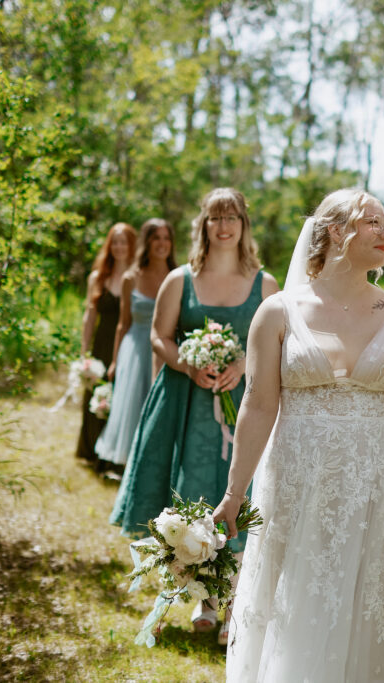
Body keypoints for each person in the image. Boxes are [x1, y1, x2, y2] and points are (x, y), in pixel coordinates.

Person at [212, 189, 384, 682]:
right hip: (297, 478)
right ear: (337, 230)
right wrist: (234, 494)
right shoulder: (277, 311)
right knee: (300, 596)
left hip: (379, 482)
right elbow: (257, 407)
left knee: (374, 601)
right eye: (374, 223)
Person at [111, 188, 278, 640]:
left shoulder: (266, 285)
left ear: (244, 226)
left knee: (241, 496)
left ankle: (236, 603)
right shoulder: (179, 280)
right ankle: (204, 599)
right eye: (214, 218)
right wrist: (188, 361)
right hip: (185, 405)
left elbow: (280, 344)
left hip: (246, 406)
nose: (224, 227)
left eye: (232, 218)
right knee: (196, 492)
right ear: (203, 225)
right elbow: (159, 338)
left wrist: (244, 364)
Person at [95, 218, 176, 478]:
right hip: (135, 348)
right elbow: (122, 324)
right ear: (147, 242)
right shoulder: (132, 277)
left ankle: (155, 463)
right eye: (156, 238)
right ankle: (128, 466)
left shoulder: (178, 277)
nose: (161, 243)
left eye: (166, 238)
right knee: (132, 405)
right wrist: (116, 361)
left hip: (165, 349)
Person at [77, 222, 136, 467]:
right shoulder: (98, 277)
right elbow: (90, 315)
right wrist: (84, 351)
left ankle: (114, 457)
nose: (119, 247)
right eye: (115, 241)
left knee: (122, 394)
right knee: (95, 393)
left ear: (132, 245)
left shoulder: (137, 276)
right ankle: (91, 451)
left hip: (128, 344)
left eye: (124, 242)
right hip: (102, 342)